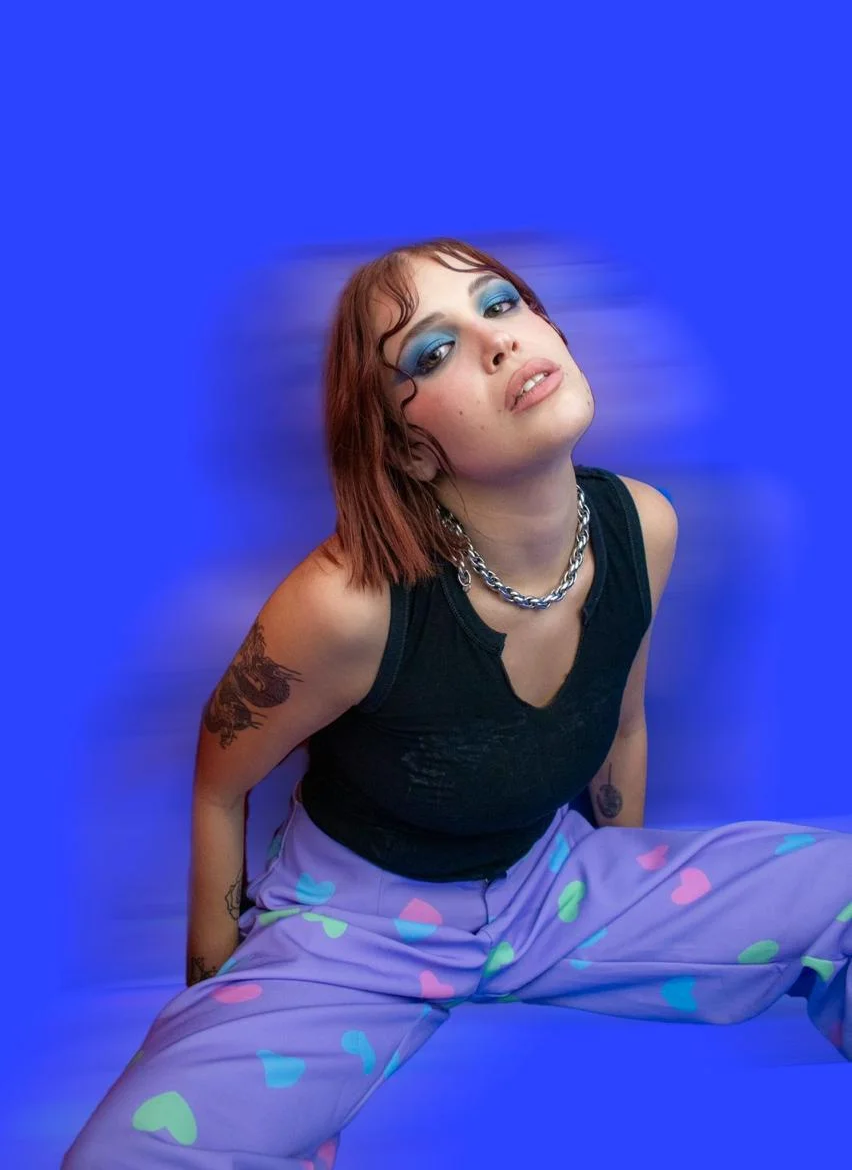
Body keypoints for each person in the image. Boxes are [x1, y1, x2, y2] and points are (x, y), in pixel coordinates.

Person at [63, 238, 851, 1169]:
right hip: (355, 925)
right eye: (433, 352)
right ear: (406, 445)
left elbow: (622, 722)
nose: (499, 341)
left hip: (549, 882)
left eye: (502, 304)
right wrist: (212, 994)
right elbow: (218, 781)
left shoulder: (644, 524)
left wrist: (619, 889)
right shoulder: (345, 603)